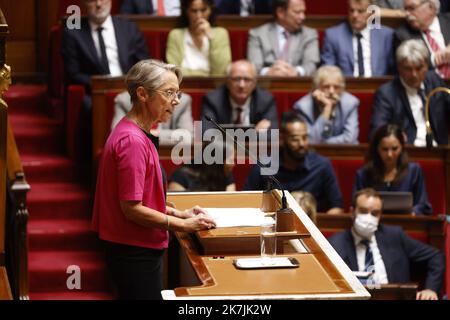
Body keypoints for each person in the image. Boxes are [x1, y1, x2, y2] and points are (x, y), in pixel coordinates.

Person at [91, 59, 216, 300]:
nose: (176, 101)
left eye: (177, 93)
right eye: (169, 93)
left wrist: (181, 214)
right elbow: (132, 209)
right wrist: (184, 226)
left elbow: (145, 198)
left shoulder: (137, 133)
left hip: (135, 247)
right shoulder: (133, 142)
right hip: (133, 251)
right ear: (142, 94)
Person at [328, 188, 444, 300]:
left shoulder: (395, 236)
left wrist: (430, 289)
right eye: (363, 211)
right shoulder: (335, 244)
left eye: (374, 213)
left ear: (380, 215)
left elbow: (436, 256)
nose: (369, 217)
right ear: (352, 212)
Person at [243, 112, 344, 214]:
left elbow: (337, 207)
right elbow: (245, 203)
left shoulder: (322, 165)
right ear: (282, 138)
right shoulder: (264, 166)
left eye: (305, 138)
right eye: (295, 139)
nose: (302, 144)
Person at [370, 39, 450, 146]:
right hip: (407, 152)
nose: (414, 75)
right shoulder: (386, 94)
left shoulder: (434, 81)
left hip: (440, 150)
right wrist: (394, 135)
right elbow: (377, 131)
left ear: (427, 65)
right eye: (408, 69)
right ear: (399, 67)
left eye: (419, 68)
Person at [61, 0, 150, 94]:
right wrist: (100, 84)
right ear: (84, 4)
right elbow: (73, 73)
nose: (98, 4)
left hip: (129, 91)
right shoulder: (73, 34)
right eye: (93, 1)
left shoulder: (129, 28)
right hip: (96, 94)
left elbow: (144, 64)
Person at [354, 124, 432, 215]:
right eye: (384, 149)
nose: (390, 155)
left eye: (394, 149)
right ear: (377, 149)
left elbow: (422, 205)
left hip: (407, 223)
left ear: (402, 148)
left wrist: (413, 213)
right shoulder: (364, 174)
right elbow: (356, 205)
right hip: (372, 224)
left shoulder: (414, 171)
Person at [321, 0, 395, 77]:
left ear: (372, 13)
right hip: (345, 86)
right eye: (351, 10)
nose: (355, 15)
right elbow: (327, 70)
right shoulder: (333, 35)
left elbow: (394, 71)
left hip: (378, 86)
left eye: (360, 11)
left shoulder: (386, 35)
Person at [201, 59, 278, 132]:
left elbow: (272, 135)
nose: (242, 85)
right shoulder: (213, 100)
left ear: (255, 83)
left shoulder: (265, 100)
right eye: (236, 79)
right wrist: (254, 132)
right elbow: (207, 133)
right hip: (222, 146)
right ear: (227, 82)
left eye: (247, 79)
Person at [247, 0, 319, 76]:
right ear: (280, 12)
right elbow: (254, 66)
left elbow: (311, 65)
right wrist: (269, 72)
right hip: (266, 84)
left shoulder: (309, 34)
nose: (303, 17)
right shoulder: (257, 34)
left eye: (303, 12)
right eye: (297, 12)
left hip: (298, 84)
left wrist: (296, 72)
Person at [293, 65, 359, 144]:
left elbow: (349, 139)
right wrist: (327, 109)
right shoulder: (303, 107)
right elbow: (310, 140)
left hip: (345, 154)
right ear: (316, 88)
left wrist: (323, 143)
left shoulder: (350, 103)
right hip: (313, 154)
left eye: (336, 87)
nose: (331, 91)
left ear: (342, 89)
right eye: (326, 87)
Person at [166, 0, 231, 76]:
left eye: (203, 10)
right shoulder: (176, 35)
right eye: (194, 11)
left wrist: (211, 39)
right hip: (183, 84)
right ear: (187, 12)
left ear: (210, 10)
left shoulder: (221, 33)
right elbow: (174, 71)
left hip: (213, 85)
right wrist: (204, 75)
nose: (199, 16)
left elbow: (220, 71)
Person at [112, 90, 193, 145]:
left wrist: (151, 134)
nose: (176, 100)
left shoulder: (182, 101)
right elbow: (118, 137)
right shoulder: (124, 100)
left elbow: (188, 136)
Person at [395, 0, 450, 78]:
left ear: (431, 7)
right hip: (432, 86)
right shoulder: (403, 34)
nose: (407, 14)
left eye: (412, 8)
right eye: (405, 9)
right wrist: (437, 58)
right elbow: (411, 67)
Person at [168, 142, 236, 191]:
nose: (233, 164)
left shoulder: (225, 174)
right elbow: (178, 205)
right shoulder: (181, 176)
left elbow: (230, 200)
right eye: (230, 160)